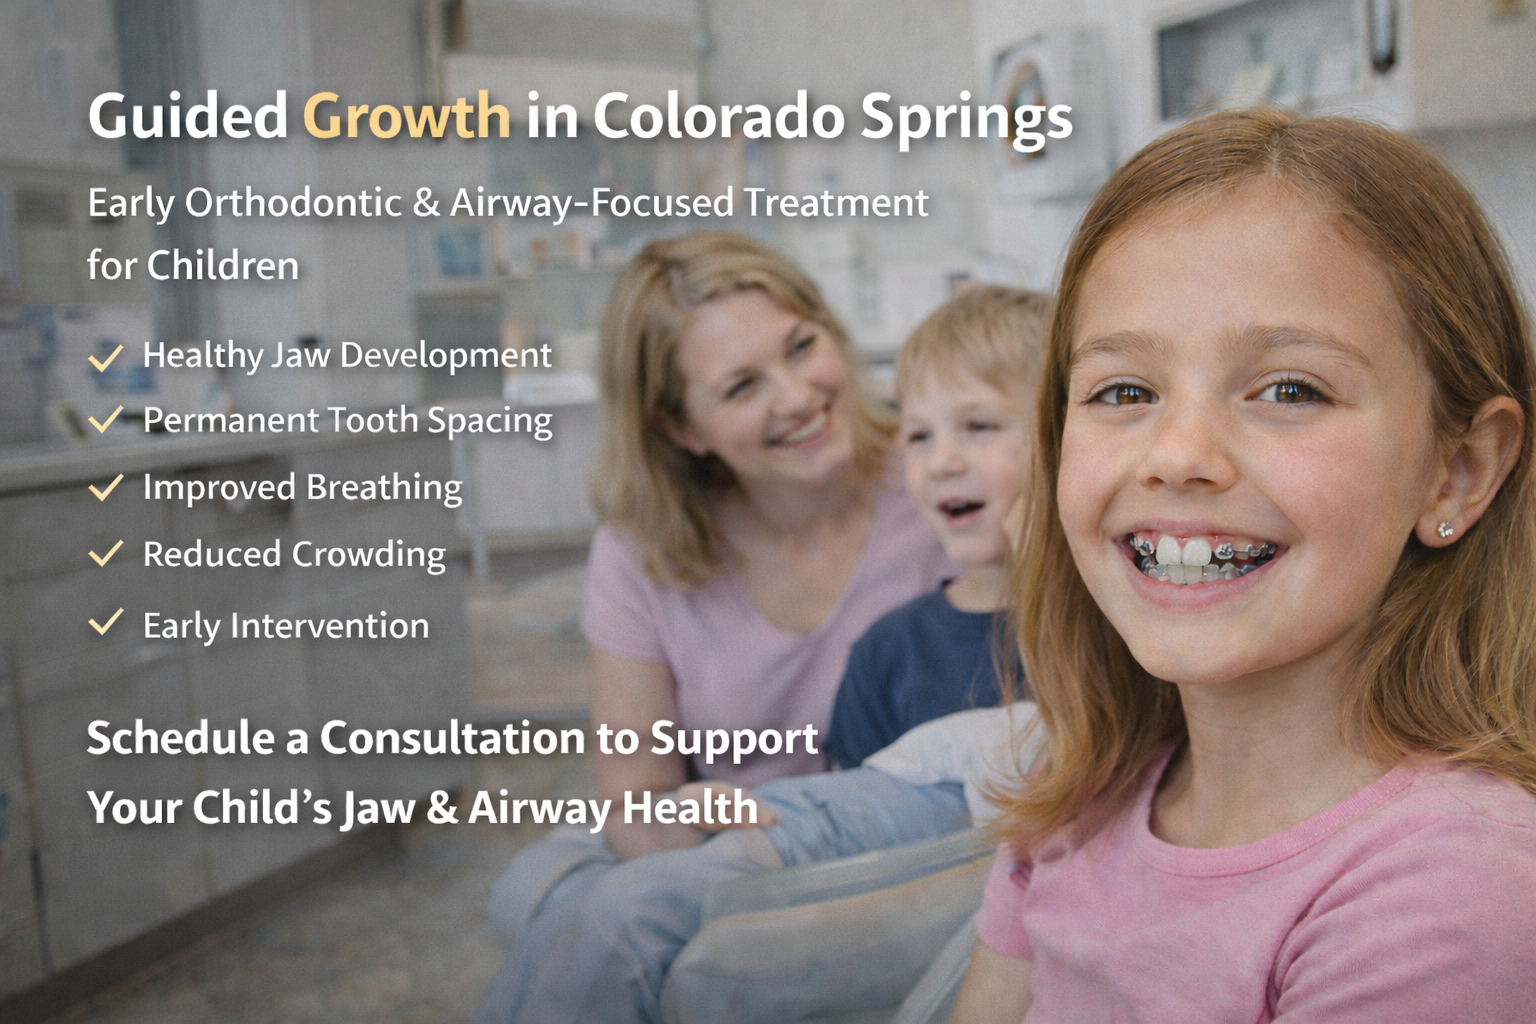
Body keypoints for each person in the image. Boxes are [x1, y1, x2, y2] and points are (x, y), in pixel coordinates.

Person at [950, 110, 1536, 1023]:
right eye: (1124, 390)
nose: (1178, 454)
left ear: (1458, 471)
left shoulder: (1455, 889)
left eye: (1290, 389)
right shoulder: (1075, 796)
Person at [477, 284, 1051, 1024]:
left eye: (800, 347)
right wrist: (699, 826)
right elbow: (844, 796)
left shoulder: (971, 516)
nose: (796, 397)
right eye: (742, 386)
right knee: (538, 891)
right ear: (681, 428)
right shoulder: (887, 632)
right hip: (768, 832)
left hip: (885, 859)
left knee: (613, 929)